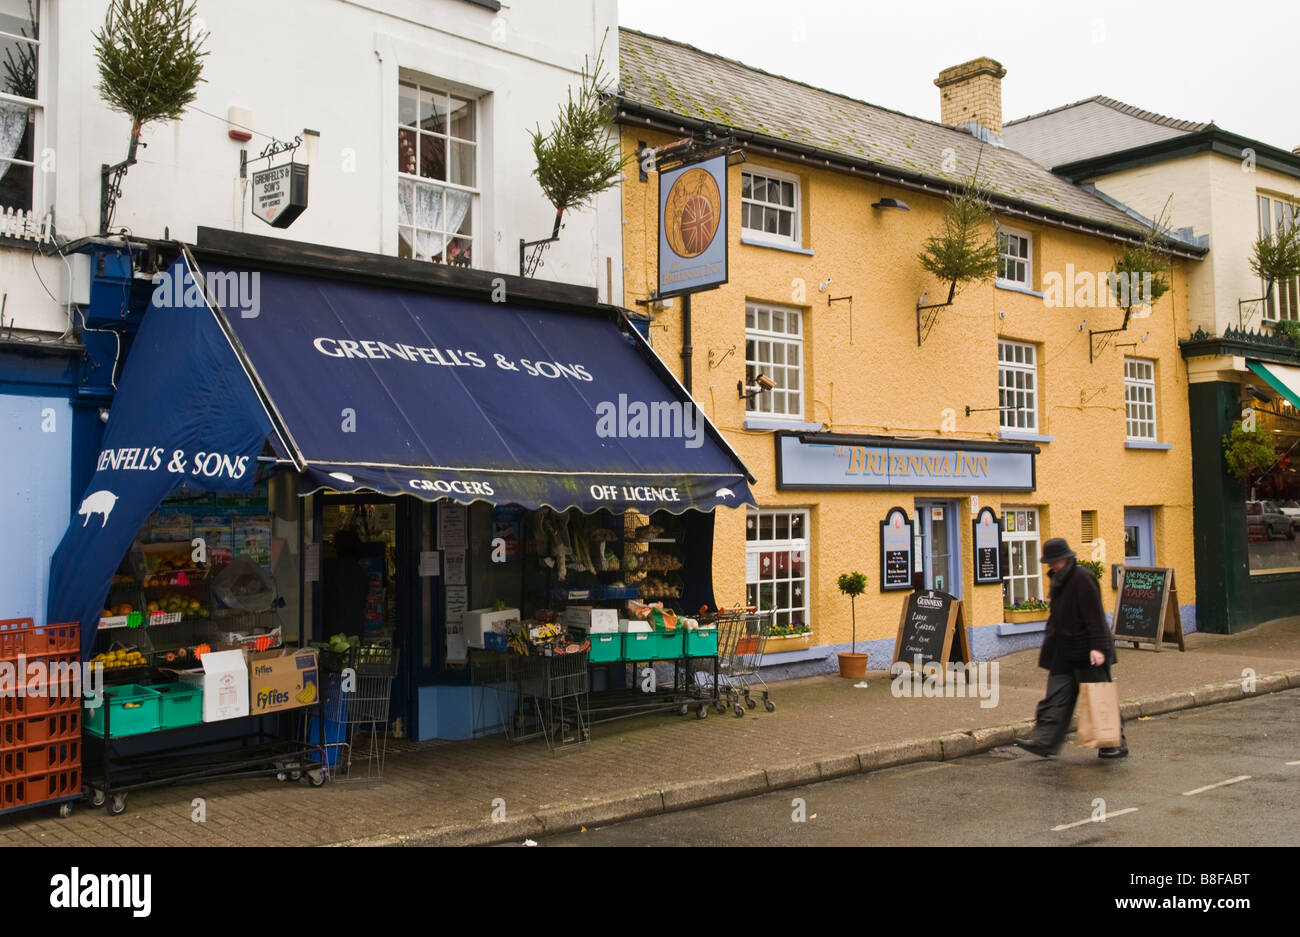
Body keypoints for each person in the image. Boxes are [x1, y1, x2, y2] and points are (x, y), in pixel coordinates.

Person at [1015, 537, 1128, 759]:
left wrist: (1098, 648)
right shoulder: (1059, 578)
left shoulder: (1082, 578)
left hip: (1088, 652)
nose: (1050, 565)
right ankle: (1044, 741)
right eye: (1049, 562)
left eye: (1053, 561)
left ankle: (1114, 743)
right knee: (1055, 699)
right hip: (1063, 652)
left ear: (1065, 558)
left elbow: (1095, 617)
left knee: (1099, 699)